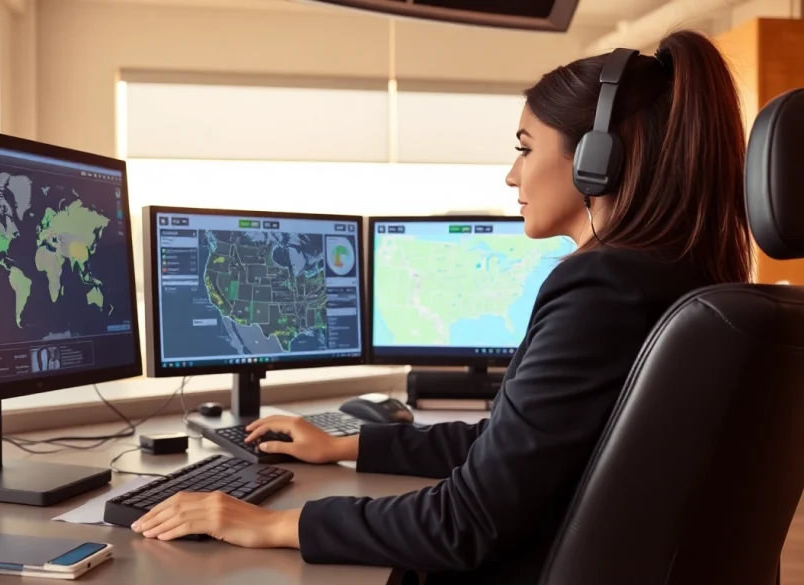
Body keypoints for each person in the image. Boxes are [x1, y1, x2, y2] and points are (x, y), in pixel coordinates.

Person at [131, 29, 753, 584]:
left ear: (596, 161)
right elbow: (513, 448)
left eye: (525, 147)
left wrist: (272, 524)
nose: (512, 177)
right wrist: (349, 446)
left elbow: (467, 520)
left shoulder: (601, 289)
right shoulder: (687, 280)